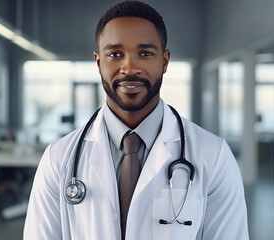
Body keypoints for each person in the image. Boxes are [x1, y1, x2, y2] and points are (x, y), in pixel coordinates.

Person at [23, 1, 249, 239]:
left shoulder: (213, 156)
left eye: (145, 53)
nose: (129, 67)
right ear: (99, 62)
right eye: (115, 54)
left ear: (164, 61)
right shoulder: (59, 159)